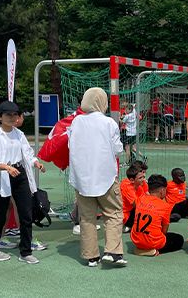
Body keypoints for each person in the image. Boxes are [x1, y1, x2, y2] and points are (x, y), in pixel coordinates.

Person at [68, 87, 127, 267]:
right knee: (114, 213)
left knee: (86, 217)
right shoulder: (108, 122)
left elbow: (71, 145)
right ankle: (112, 251)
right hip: (105, 176)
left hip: (81, 178)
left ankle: (91, 256)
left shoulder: (76, 121)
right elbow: (118, 149)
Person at [0, 101, 46, 264]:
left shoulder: (19, 134)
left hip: (20, 174)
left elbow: (28, 153)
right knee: (0, 215)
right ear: (0, 116)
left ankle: (26, 251)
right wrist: (6, 168)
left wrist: (35, 162)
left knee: (25, 214)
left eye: (15, 115)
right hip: (4, 175)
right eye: (8, 115)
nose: (12, 118)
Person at [131, 174, 184, 256]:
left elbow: (134, 205)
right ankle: (151, 250)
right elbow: (164, 231)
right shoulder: (165, 206)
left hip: (136, 240)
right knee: (179, 239)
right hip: (152, 242)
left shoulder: (140, 199)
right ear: (162, 190)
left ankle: (141, 248)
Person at [121, 165, 147, 232]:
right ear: (132, 180)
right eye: (140, 178)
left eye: (143, 177)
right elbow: (136, 205)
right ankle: (126, 225)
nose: (143, 179)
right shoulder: (129, 188)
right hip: (125, 215)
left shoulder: (138, 186)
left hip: (129, 211)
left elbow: (144, 198)